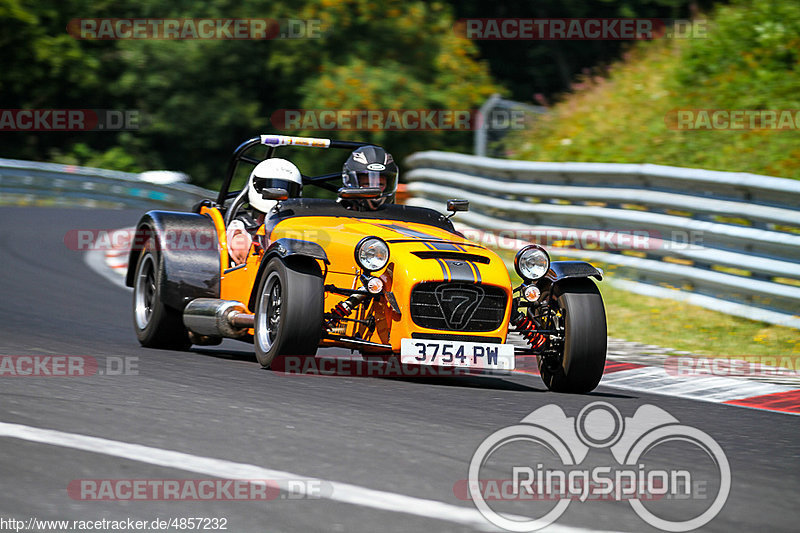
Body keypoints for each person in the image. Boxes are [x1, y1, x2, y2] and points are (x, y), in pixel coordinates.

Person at [227, 158, 303, 265]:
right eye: (271, 186)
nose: (277, 193)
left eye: (285, 188)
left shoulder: (297, 227)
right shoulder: (240, 229)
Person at [340, 145, 399, 211]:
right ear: (351, 182)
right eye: (367, 184)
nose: (374, 189)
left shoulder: (400, 216)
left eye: (380, 184)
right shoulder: (335, 214)